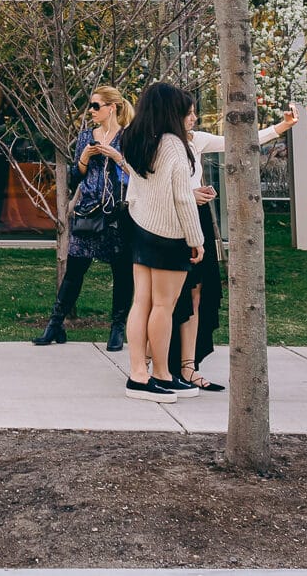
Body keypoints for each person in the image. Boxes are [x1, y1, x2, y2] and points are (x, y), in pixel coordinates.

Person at [166, 98, 297, 390]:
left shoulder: (195, 141)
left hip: (196, 219)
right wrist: (190, 194)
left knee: (199, 292)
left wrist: (282, 127)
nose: (194, 119)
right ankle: (163, 364)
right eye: (188, 114)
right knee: (172, 295)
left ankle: (189, 366)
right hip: (172, 220)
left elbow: (235, 141)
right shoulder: (161, 144)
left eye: (194, 113)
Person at [118, 82, 207, 403]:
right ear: (172, 111)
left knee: (141, 302)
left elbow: (136, 188)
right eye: (186, 110)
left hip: (141, 228)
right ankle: (158, 374)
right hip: (169, 233)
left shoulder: (134, 138)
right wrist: (196, 240)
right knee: (163, 307)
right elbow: (183, 198)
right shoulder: (172, 145)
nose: (191, 116)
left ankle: (138, 373)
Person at [35, 86, 134, 349]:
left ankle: (117, 329)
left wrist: (116, 157)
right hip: (88, 210)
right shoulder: (85, 137)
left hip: (117, 213)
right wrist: (84, 158)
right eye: (90, 106)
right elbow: (76, 177)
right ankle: (55, 324)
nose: (90, 111)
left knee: (122, 271)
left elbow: (136, 173)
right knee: (75, 269)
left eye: (96, 106)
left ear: (111, 107)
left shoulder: (128, 136)